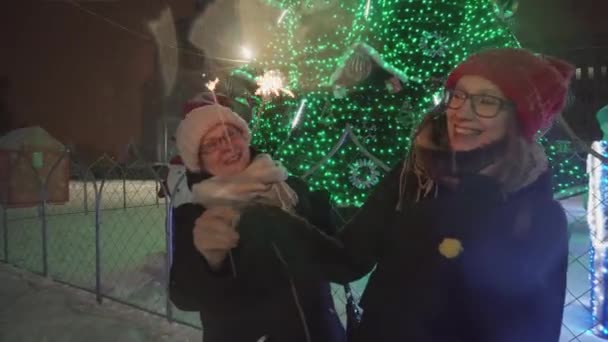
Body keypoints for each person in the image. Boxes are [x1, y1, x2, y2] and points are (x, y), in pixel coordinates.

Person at [203, 48, 574, 341]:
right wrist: (273, 218)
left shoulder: (537, 219)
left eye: (487, 101)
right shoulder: (414, 176)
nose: (461, 112)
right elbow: (348, 259)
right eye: (458, 95)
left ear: (520, 120)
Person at [168, 101, 345, 342]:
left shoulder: (291, 191)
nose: (227, 145)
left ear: (245, 137)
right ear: (198, 161)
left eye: (231, 134)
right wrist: (210, 261)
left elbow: (336, 258)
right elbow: (183, 296)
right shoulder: (195, 216)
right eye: (211, 144)